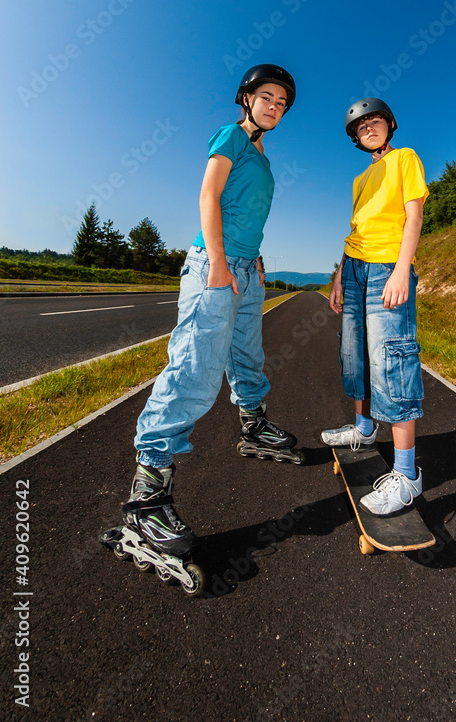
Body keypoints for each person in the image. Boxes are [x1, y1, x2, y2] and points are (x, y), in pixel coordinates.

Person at [124, 64, 302, 559]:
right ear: (246, 98)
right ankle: (147, 497)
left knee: (246, 355)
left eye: (282, 103)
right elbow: (209, 195)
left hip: (246, 270)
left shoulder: (263, 158)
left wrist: (255, 263)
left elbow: (248, 214)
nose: (274, 107)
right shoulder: (232, 137)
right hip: (215, 265)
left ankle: (254, 425)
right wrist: (220, 265)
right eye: (267, 97)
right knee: (195, 368)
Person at [321, 98, 429, 515]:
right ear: (355, 136)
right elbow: (355, 232)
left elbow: (413, 217)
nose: (368, 127)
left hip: (388, 266)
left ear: (389, 125)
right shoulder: (359, 179)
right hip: (355, 270)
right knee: (355, 355)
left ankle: (407, 475)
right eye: (361, 125)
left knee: (392, 359)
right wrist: (338, 277)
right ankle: (364, 429)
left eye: (374, 120)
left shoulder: (405, 158)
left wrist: (403, 269)